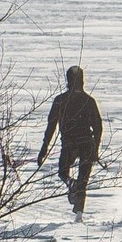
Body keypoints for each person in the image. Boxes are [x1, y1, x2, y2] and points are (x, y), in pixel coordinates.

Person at [35, 66, 104, 218]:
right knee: (83, 180)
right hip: (86, 143)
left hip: (69, 143)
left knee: (63, 172)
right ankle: (79, 214)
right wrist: (95, 149)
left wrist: (44, 149)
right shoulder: (89, 101)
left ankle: (69, 182)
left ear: (67, 80)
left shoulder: (60, 101)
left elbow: (51, 126)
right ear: (82, 81)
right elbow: (98, 127)